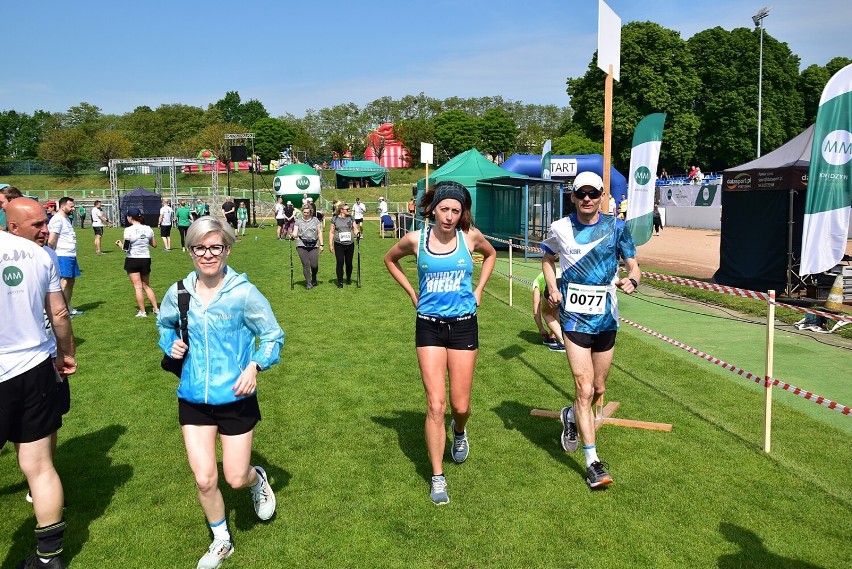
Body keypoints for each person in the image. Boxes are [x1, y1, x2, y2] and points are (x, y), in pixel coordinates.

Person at [157, 217, 284, 569]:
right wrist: (172, 345)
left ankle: (256, 478)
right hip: (193, 397)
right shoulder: (179, 292)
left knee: (233, 477)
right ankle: (222, 540)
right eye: (200, 248)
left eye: (216, 247)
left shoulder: (244, 293)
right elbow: (164, 325)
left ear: (227, 249)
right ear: (190, 250)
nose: (208, 254)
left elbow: (273, 335)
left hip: (236, 398)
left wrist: (255, 365)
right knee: (204, 478)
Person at [383, 181, 496, 505]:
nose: (448, 216)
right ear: (433, 209)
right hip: (429, 327)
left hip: (463, 326)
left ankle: (459, 432)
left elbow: (489, 256)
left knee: (460, 407)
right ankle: (437, 477)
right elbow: (390, 260)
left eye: (455, 211)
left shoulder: (469, 237)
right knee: (436, 404)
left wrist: (479, 290)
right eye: (444, 209)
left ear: (462, 213)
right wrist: (412, 293)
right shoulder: (416, 240)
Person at [540, 170, 640, 489]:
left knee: (597, 389)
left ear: (601, 198)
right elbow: (546, 259)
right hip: (573, 319)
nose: (586, 199)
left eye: (592, 194)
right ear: (572, 196)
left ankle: (570, 416)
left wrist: (633, 279)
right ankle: (593, 462)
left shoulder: (617, 227)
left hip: (606, 320)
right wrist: (552, 288)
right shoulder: (560, 228)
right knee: (583, 387)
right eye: (581, 193)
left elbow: (634, 264)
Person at [1, 228, 77, 569]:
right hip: (34, 366)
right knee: (41, 466)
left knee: (39, 466)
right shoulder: (36, 253)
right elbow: (59, 313)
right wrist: (67, 352)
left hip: (17, 366)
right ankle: (50, 559)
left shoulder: (37, 250)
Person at [6, 198, 73, 500]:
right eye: (37, 225)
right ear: (13, 226)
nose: (45, 229)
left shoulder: (46, 254)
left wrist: (61, 351)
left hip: (42, 358)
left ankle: (37, 479)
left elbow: (57, 312)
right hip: (25, 361)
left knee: (43, 430)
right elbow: (59, 312)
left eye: (45, 222)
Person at [116, 207, 159, 318]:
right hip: (145, 258)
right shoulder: (148, 228)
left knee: (138, 287)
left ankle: (143, 312)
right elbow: (154, 244)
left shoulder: (128, 230)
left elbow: (125, 248)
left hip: (133, 259)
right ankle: (156, 308)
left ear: (130, 217)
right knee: (147, 286)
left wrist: (119, 243)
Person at [47, 197, 83, 317]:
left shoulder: (66, 218)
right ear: (63, 206)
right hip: (62, 255)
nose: (73, 208)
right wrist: (51, 256)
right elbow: (52, 240)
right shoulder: (57, 220)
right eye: (71, 206)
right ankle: (60, 311)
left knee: (71, 281)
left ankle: (68, 307)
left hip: (70, 254)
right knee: (64, 283)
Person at [293, 204, 323, 289]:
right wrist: (292, 235)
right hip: (301, 244)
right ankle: (308, 283)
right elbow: (295, 232)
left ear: (310, 212)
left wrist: (321, 244)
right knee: (306, 264)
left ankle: (314, 277)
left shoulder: (315, 220)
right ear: (302, 212)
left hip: (314, 244)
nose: (305, 214)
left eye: (307, 212)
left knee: (314, 265)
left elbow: (319, 232)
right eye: (304, 212)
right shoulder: (298, 221)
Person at [533, 269, 564, 351]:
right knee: (556, 309)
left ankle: (563, 342)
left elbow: (536, 309)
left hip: (554, 285)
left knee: (546, 313)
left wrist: (541, 329)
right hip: (567, 283)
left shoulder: (536, 282)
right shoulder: (556, 269)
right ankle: (553, 337)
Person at [329, 202, 356, 288]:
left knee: (349, 263)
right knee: (340, 262)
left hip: (350, 244)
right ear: (341, 210)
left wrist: (358, 233)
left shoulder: (351, 218)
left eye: (349, 209)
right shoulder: (335, 219)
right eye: (347, 209)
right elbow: (331, 232)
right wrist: (330, 244)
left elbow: (355, 228)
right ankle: (340, 282)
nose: (349, 210)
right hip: (339, 244)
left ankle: (348, 278)